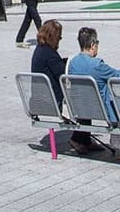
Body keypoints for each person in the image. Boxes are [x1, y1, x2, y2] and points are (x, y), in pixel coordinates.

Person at [66, 27, 120, 167]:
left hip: (83, 108)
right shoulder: (97, 65)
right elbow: (118, 77)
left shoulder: (73, 62)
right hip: (103, 109)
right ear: (92, 45)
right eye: (97, 42)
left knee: (117, 103)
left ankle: (119, 141)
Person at [30, 19, 102, 154]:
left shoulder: (41, 49)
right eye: (59, 37)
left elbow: (56, 65)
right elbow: (64, 75)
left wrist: (68, 61)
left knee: (83, 96)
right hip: (52, 100)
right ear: (53, 37)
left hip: (41, 97)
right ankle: (78, 139)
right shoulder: (49, 53)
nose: (60, 39)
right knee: (85, 97)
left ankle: (84, 140)